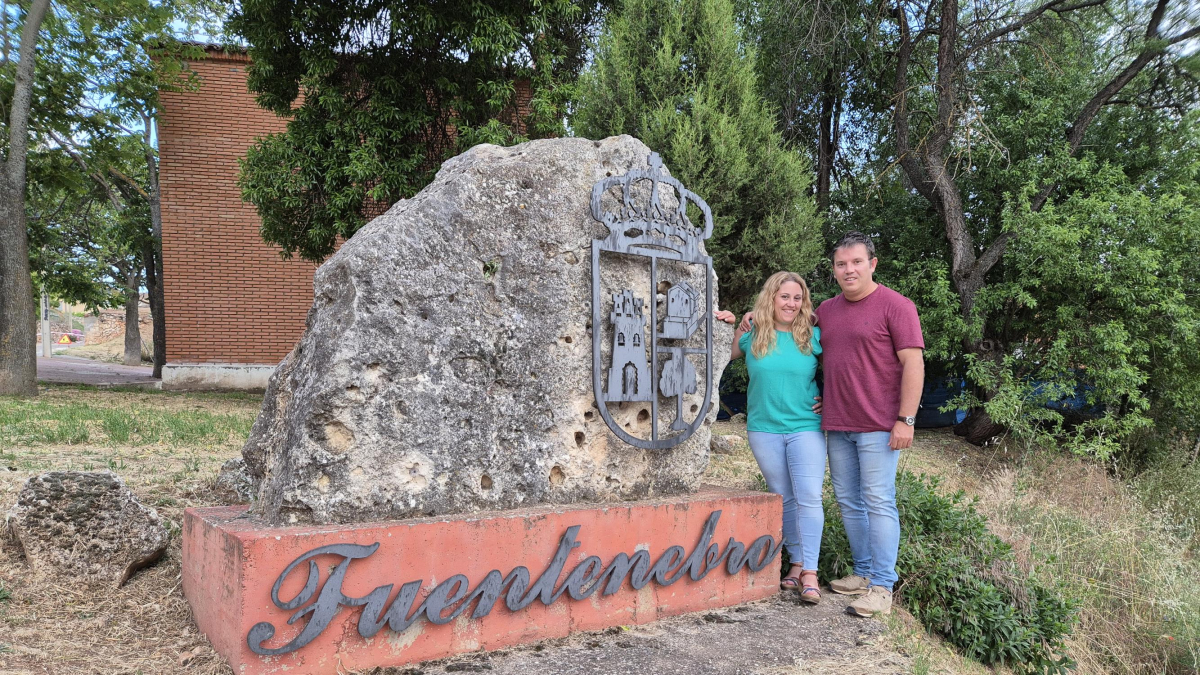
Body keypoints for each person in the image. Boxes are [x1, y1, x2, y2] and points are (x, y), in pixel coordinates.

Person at [737, 232, 925, 618]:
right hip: (837, 423)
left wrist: (905, 420)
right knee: (850, 502)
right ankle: (861, 572)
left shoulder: (897, 306)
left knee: (878, 500)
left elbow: (914, 364)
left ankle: (882, 586)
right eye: (842, 264)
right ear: (835, 270)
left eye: (856, 262)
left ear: (872, 264)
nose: (849, 269)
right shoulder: (828, 311)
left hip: (879, 424)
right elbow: (788, 323)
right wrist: (753, 315)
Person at [715, 271, 825, 604]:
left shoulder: (814, 336)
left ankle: (810, 573)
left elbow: (845, 367)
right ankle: (795, 565)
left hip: (806, 425)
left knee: (808, 496)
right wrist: (729, 323)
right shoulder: (753, 334)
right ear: (771, 299)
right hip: (764, 428)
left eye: (797, 298)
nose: (791, 304)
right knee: (784, 498)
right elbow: (718, 355)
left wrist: (832, 397)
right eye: (784, 297)